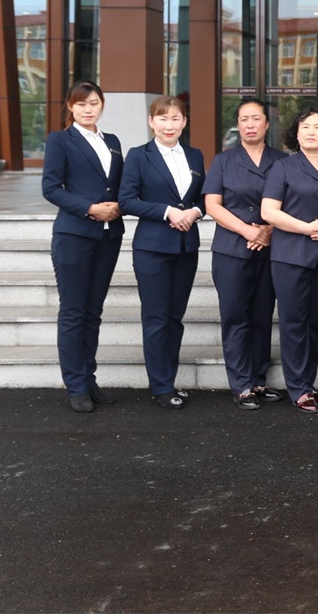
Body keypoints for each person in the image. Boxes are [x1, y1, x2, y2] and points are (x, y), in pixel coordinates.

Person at [41, 81, 125, 413]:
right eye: (81, 104)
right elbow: (51, 188)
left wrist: (120, 204)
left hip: (108, 236)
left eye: (93, 103)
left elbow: (118, 185)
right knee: (74, 312)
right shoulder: (60, 140)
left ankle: (89, 380)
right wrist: (90, 208)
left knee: (93, 312)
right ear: (70, 107)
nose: (88, 109)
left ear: (102, 105)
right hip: (74, 235)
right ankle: (75, 385)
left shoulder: (112, 141)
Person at [119, 96, 206, 409]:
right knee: (156, 318)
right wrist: (167, 211)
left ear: (184, 122)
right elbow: (127, 200)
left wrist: (195, 212)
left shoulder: (194, 155)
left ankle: (170, 380)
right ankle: (161, 386)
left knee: (174, 318)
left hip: (186, 247)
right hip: (152, 248)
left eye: (175, 118)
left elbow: (204, 197)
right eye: (163, 118)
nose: (169, 125)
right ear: (151, 122)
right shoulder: (138, 155)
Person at [204, 97, 286, 410]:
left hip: (271, 248)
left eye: (256, 119)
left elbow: (292, 202)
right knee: (236, 316)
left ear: (266, 124)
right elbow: (212, 205)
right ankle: (241, 385)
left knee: (262, 315)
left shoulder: (282, 161)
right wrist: (247, 231)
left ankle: (259, 379)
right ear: (237, 125)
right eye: (244, 119)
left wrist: (268, 230)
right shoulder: (223, 161)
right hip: (232, 249)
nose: (250, 125)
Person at [261, 107, 318, 415]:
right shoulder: (282, 168)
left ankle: (308, 383)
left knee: (315, 321)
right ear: (296, 134)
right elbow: (269, 212)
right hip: (291, 256)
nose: (311, 131)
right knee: (294, 321)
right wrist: (306, 228)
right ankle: (298, 388)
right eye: (305, 126)